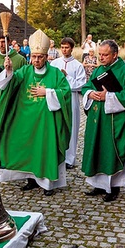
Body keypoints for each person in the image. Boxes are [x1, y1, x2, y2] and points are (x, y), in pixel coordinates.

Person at [0, 29, 72, 196]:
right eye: (34, 57)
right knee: (28, 149)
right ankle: (31, 180)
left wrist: (48, 92)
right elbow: (8, 84)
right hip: (26, 120)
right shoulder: (24, 72)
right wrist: (8, 70)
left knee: (46, 150)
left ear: (46, 57)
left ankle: (48, 184)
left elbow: (65, 93)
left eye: (40, 57)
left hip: (47, 121)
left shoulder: (56, 74)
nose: (36, 60)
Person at [81, 40, 125, 202]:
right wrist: (90, 94)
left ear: (115, 54)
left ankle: (113, 187)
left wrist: (108, 96)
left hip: (116, 120)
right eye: (100, 54)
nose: (101, 58)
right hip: (98, 118)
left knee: (111, 151)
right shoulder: (98, 70)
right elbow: (86, 87)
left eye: (105, 55)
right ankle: (98, 185)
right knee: (98, 148)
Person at [51, 37, 86, 170]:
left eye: (67, 47)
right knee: (57, 126)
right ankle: (57, 155)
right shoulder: (54, 63)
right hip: (56, 98)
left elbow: (81, 85)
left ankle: (69, 158)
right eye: (62, 47)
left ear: (72, 48)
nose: (64, 50)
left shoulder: (77, 65)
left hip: (71, 99)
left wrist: (67, 77)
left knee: (72, 127)